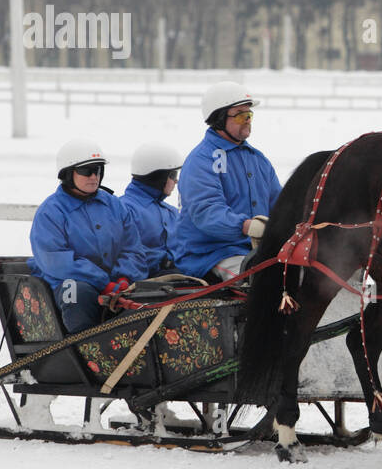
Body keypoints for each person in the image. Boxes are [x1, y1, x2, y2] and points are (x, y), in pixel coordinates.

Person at [28, 138, 146, 333]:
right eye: (86, 171)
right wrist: (103, 282)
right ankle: (85, 351)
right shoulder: (51, 212)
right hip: (68, 284)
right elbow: (57, 261)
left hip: (117, 285)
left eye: (98, 170)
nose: (94, 176)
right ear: (67, 173)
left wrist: (124, 278)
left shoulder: (114, 205)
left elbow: (133, 248)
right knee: (77, 292)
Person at [172, 81, 282, 283]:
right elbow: (207, 212)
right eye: (241, 115)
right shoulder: (201, 160)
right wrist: (247, 226)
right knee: (263, 281)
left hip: (253, 250)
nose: (248, 120)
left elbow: (281, 204)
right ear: (219, 118)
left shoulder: (258, 159)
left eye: (249, 115)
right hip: (211, 254)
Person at [121, 142, 183, 278]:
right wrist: (165, 261)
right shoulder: (124, 209)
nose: (176, 181)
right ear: (157, 177)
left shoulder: (172, 212)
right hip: (144, 284)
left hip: (181, 277)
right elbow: (124, 252)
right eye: (172, 175)